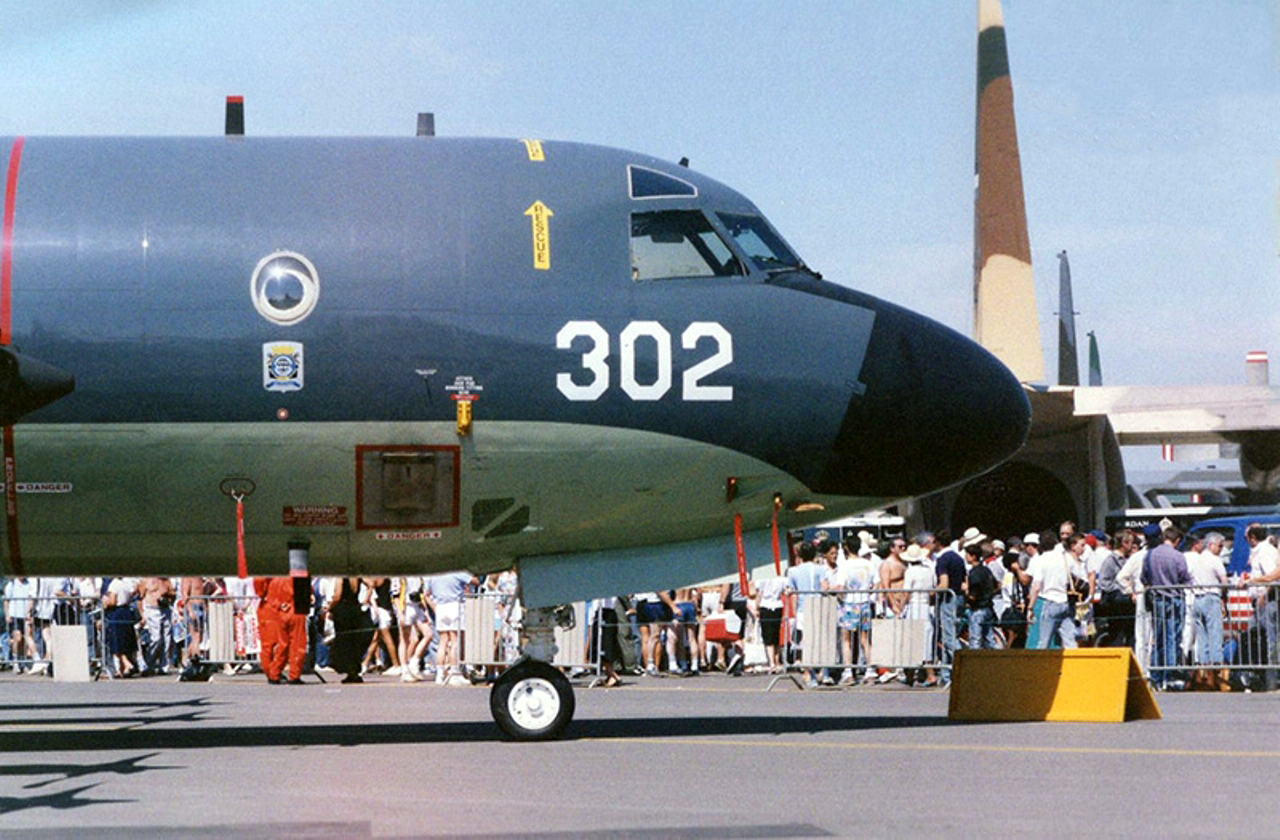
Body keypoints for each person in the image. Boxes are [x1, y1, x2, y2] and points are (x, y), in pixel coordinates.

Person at [1141, 526, 1192, 690]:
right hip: (1175, 599)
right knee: (1173, 638)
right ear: (1176, 540)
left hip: (1157, 599)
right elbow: (1184, 577)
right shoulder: (1178, 556)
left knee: (1158, 638)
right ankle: (1170, 675)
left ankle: (1156, 675)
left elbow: (1144, 577)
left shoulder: (1150, 555)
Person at [1028, 533, 1086, 650]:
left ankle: (1042, 668)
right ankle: (1074, 666)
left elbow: (1037, 586)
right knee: (1070, 642)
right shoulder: (1064, 557)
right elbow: (1080, 575)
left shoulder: (1041, 559)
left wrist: (1030, 608)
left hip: (1049, 602)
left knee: (1044, 642)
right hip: (1066, 602)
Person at [1187, 532, 1228, 689]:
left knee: (1202, 637)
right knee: (1215, 634)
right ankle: (1216, 673)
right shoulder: (1215, 560)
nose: (1221, 549)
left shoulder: (1196, 559)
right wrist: (1224, 595)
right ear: (1210, 545)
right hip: (1211, 597)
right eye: (1219, 546)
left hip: (1197, 598)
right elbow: (1224, 581)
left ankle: (1202, 672)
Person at [425, 569, 478, 686]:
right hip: (455, 605)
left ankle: (439, 673)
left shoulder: (434, 574)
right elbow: (475, 581)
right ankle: (454, 672)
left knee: (442, 641)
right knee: (455, 641)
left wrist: (434, 607)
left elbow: (426, 594)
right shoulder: (457, 572)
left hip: (440, 606)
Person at [1244, 524, 1279, 690]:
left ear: (1252, 537)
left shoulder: (1265, 551)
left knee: (1269, 638)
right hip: (1260, 600)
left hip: (1266, 601)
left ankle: (1271, 677)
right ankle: (1263, 675)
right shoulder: (1260, 551)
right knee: (1259, 637)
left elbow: (1273, 576)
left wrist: (1263, 592)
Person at [964, 541, 1000, 649]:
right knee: (989, 639)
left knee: (975, 639)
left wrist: (967, 594)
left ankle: (974, 662)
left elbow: (973, 594)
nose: (965, 557)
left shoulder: (974, 573)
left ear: (973, 556)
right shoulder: (986, 570)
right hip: (988, 607)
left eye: (967, 555)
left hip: (978, 609)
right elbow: (996, 584)